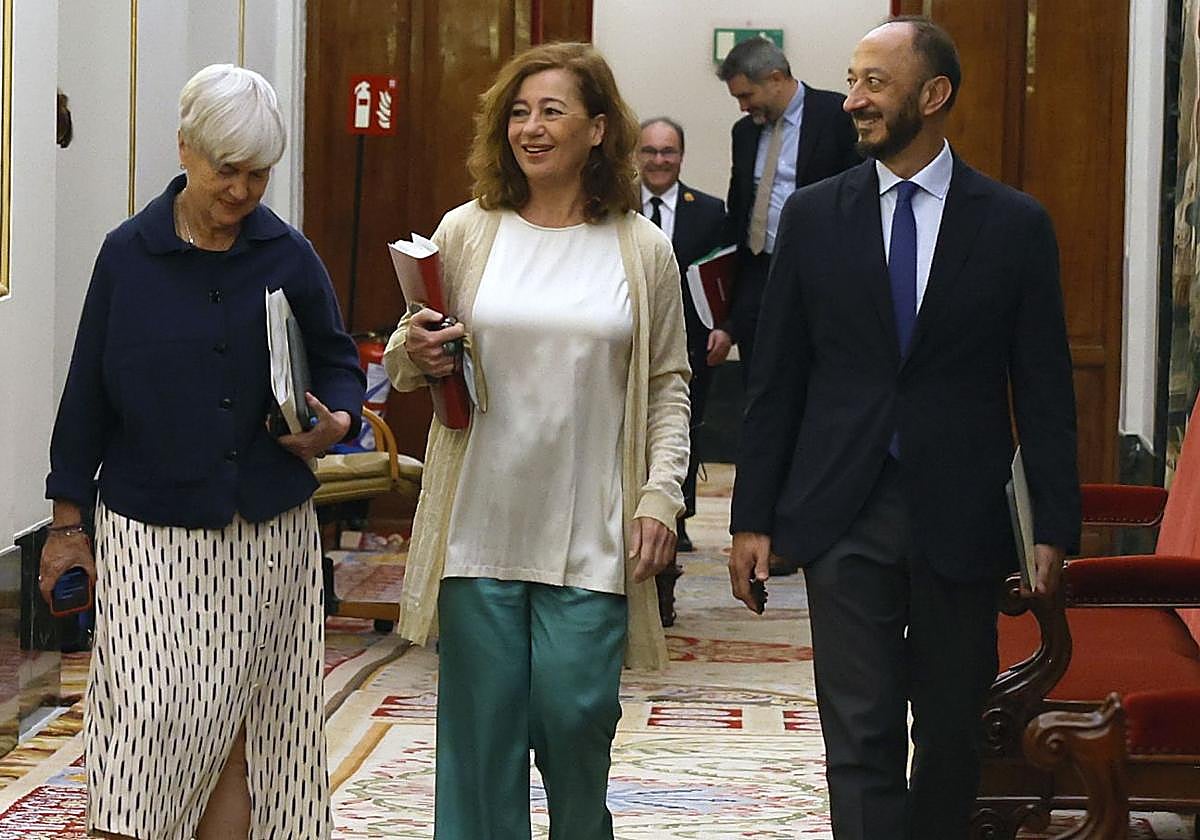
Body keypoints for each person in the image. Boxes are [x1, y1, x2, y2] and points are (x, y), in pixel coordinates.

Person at [728, 17, 1081, 840]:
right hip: (841, 506)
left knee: (952, 729)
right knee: (860, 732)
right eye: (851, 80)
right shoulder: (815, 217)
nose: (852, 100)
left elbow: (1045, 386)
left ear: (934, 94)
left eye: (873, 83)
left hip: (962, 511)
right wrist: (753, 518)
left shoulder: (1014, 224)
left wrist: (1053, 522)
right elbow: (774, 380)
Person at [41, 64, 365, 840]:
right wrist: (64, 523)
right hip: (151, 527)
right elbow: (86, 392)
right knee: (149, 720)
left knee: (250, 733)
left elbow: (339, 362)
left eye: (259, 174)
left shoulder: (287, 254)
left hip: (265, 533)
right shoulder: (128, 256)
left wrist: (335, 421)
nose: (243, 191)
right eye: (228, 170)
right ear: (186, 149)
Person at [383, 42, 690, 840]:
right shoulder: (467, 230)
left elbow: (667, 383)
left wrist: (662, 491)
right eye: (519, 112)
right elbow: (405, 352)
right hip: (480, 524)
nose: (531, 127)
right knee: (480, 747)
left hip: (592, 526)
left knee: (575, 716)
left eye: (552, 110)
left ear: (598, 129)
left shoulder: (641, 247)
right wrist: (411, 352)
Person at [718, 35, 859, 381]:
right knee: (759, 378)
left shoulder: (837, 117)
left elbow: (857, 198)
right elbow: (739, 205)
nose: (742, 107)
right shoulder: (745, 133)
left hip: (819, 273)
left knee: (810, 377)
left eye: (746, 96)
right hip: (758, 272)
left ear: (776, 79)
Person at [636, 116, 728, 623]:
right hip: (629, 339)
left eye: (667, 152)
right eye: (649, 151)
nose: (658, 161)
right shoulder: (614, 206)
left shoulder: (710, 211)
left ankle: (678, 514)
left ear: (682, 157)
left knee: (684, 429)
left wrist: (727, 327)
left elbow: (728, 274)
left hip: (694, 342)